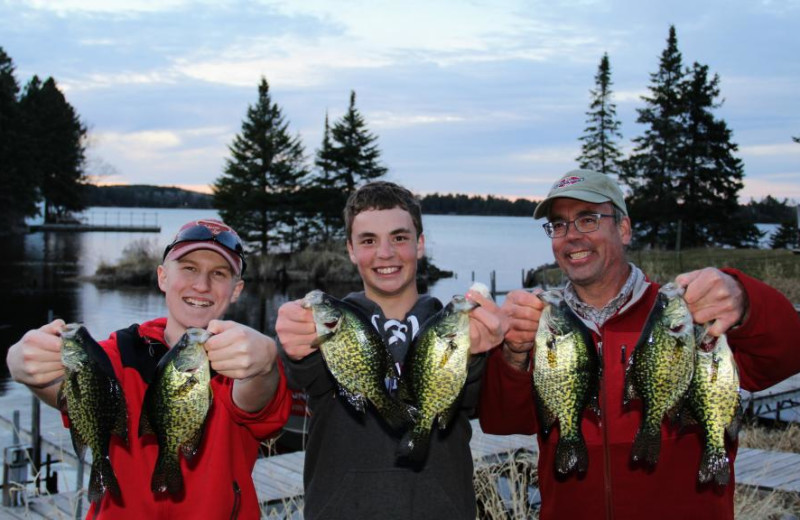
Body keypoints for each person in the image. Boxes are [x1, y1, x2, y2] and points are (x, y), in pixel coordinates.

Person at [479, 169, 800, 520]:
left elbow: (787, 355)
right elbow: (502, 421)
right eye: (559, 225)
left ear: (624, 229)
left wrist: (744, 301)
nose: (570, 237)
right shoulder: (542, 323)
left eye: (587, 220)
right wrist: (513, 354)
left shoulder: (686, 315)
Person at [6, 218, 291, 519]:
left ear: (237, 290)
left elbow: (256, 400)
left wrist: (265, 366)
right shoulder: (118, 352)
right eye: (189, 268)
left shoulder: (244, 359)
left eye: (219, 274)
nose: (202, 285)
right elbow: (74, 394)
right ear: (163, 277)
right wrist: (25, 367)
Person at [275, 181, 506, 519]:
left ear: (420, 244)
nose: (385, 253)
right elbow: (304, 373)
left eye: (399, 237)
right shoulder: (330, 326)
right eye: (368, 241)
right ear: (351, 250)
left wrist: (481, 355)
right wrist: (291, 347)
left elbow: (469, 402)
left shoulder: (457, 327)